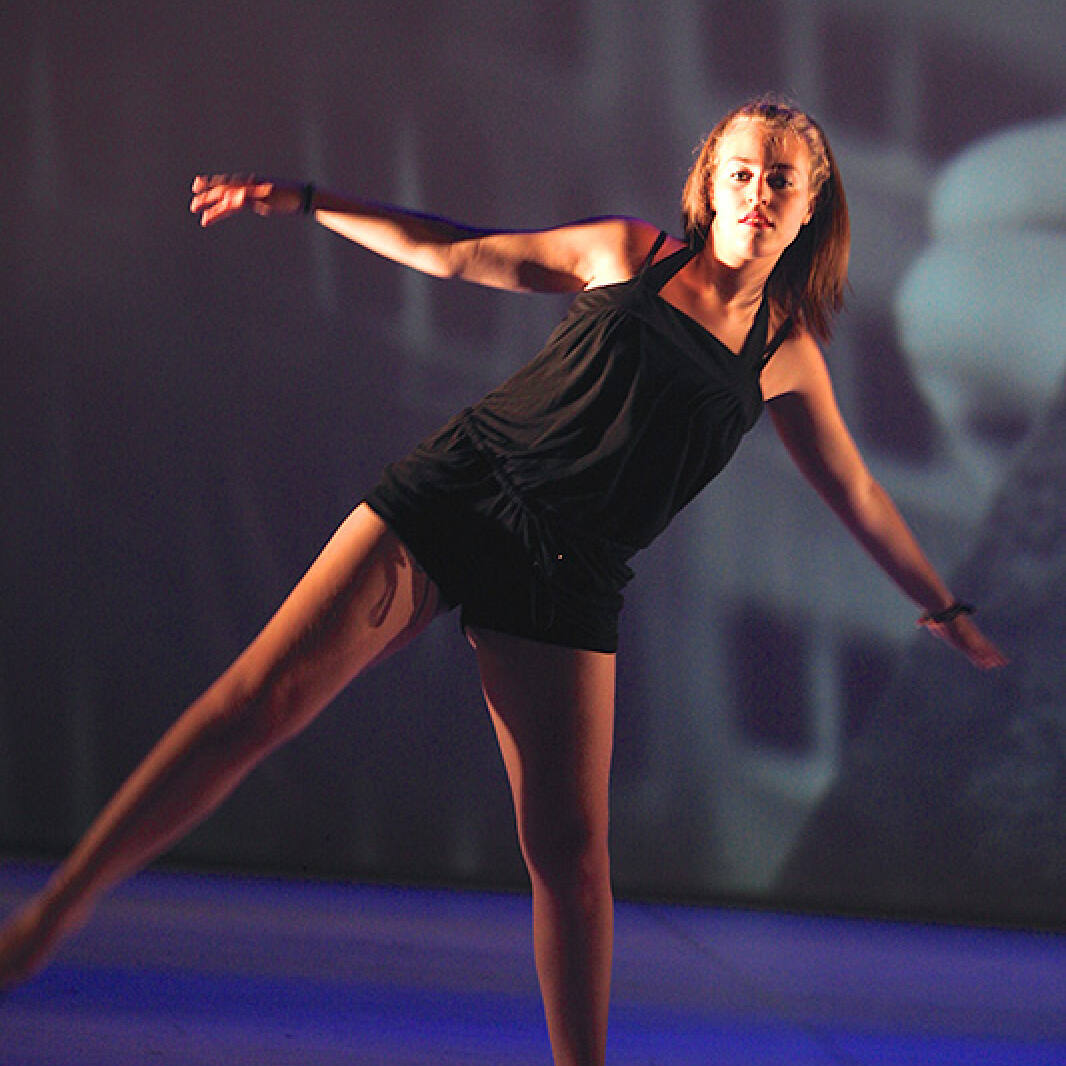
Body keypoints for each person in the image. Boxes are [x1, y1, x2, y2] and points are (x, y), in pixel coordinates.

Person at [0, 97, 1006, 1065]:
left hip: (571, 573)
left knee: (572, 858)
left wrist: (942, 604)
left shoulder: (786, 352)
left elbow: (858, 493)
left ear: (811, 202)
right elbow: (452, 249)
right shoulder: (629, 254)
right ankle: (50, 917)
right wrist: (308, 200)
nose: (757, 193)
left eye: (779, 180)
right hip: (464, 489)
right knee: (257, 703)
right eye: (740, 173)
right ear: (707, 184)